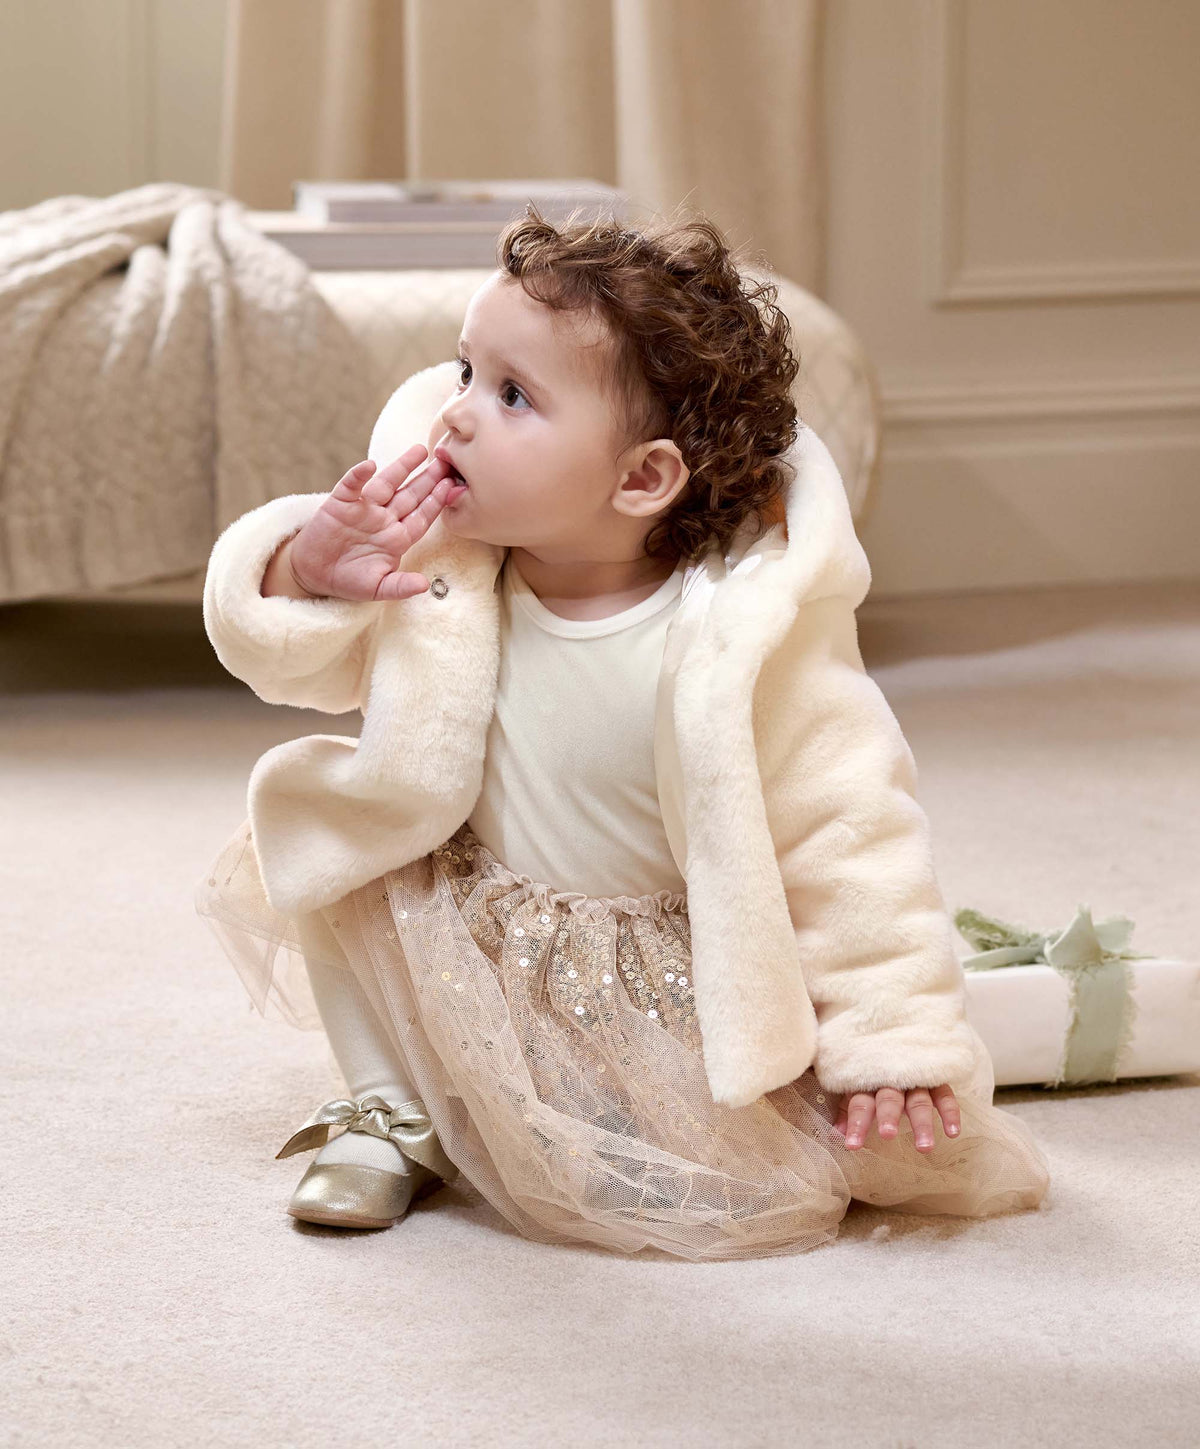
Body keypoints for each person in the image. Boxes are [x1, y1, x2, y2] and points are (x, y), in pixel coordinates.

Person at [195, 204, 1050, 1260]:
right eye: (464, 371)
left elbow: (851, 830)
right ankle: (392, 1107)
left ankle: (617, 1109)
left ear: (642, 479)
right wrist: (308, 573)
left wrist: (894, 1035)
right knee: (330, 846)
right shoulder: (441, 569)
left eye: (512, 395)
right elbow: (294, 668)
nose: (455, 414)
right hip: (480, 929)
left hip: (661, 973)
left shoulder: (747, 639)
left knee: (746, 1145)